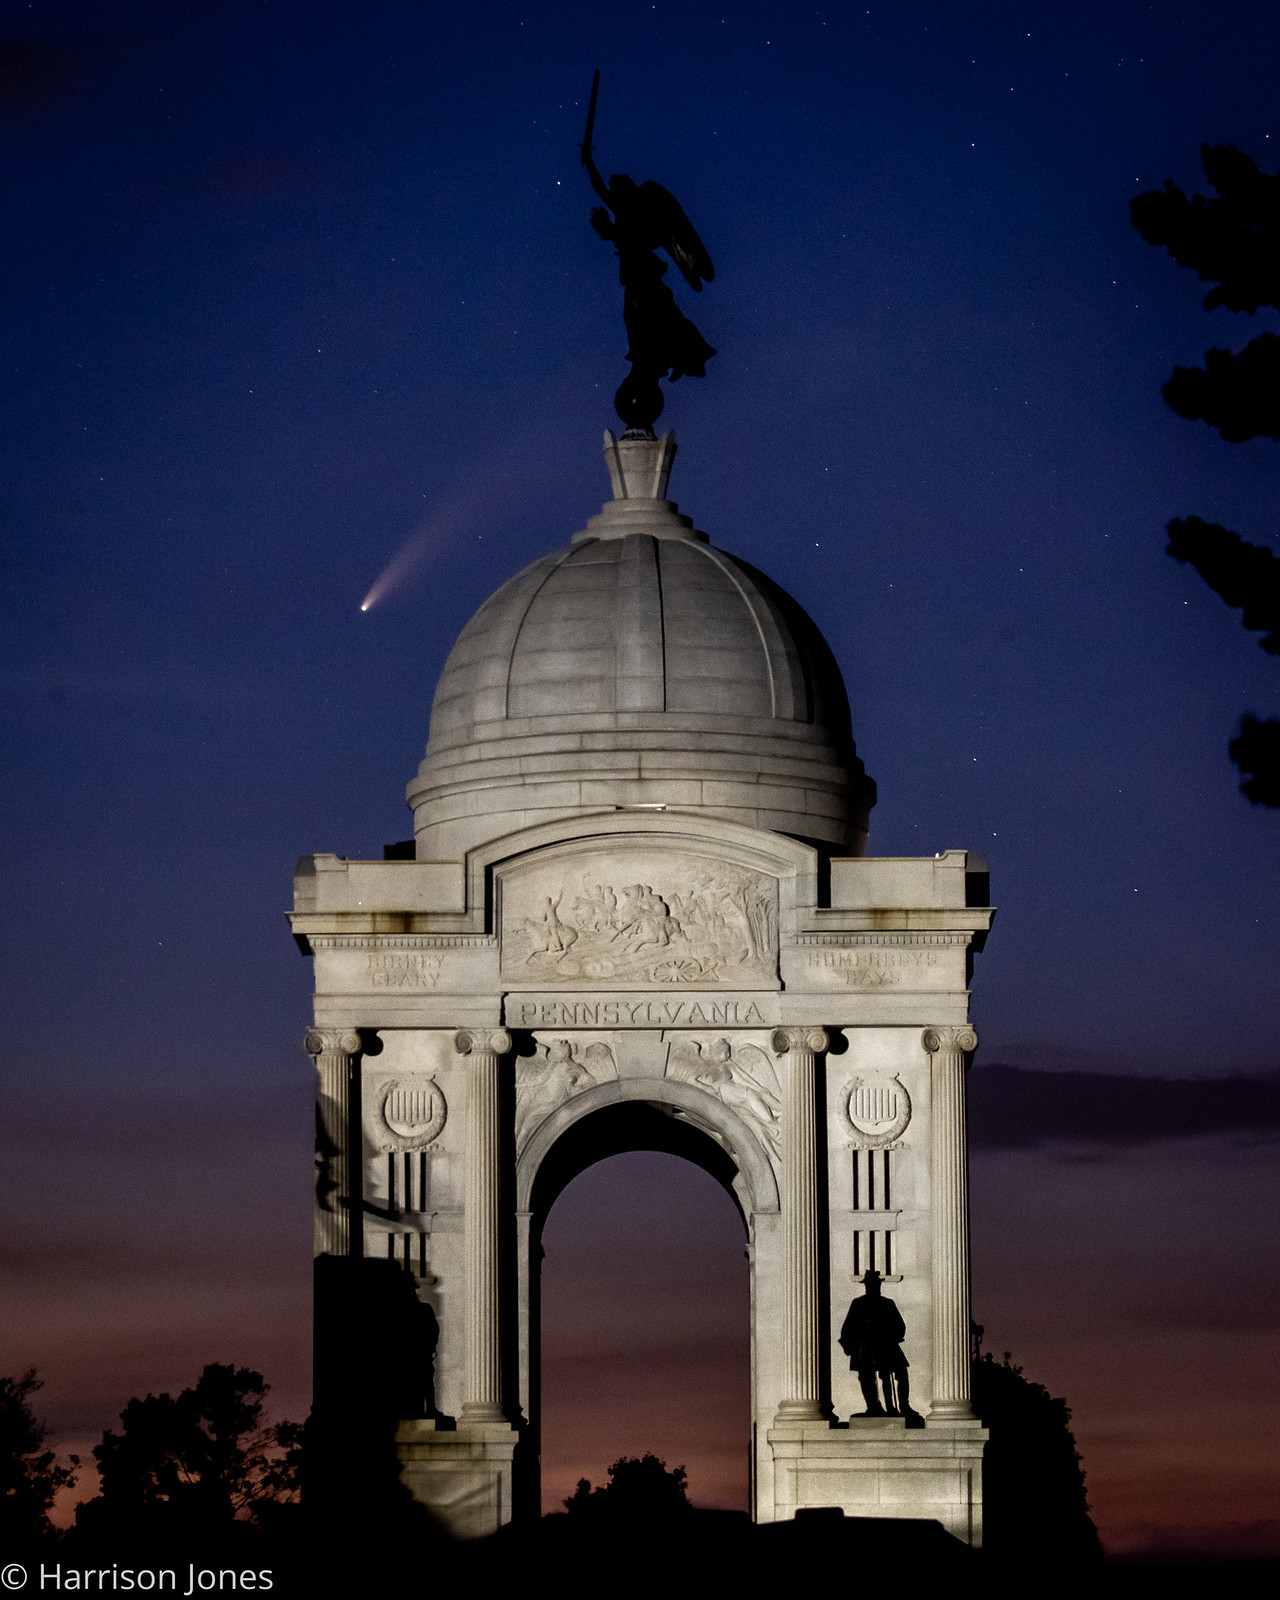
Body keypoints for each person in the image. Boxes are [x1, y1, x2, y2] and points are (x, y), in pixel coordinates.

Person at [839, 1269, 913, 1418]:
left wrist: (893, 1337)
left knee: (901, 1372)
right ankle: (873, 1406)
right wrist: (850, 1347)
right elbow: (848, 1328)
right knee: (866, 1376)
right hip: (866, 1348)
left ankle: (904, 1406)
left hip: (887, 1345)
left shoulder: (887, 1303)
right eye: (871, 1285)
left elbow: (900, 1326)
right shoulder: (858, 1303)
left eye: (875, 1285)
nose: (873, 1287)